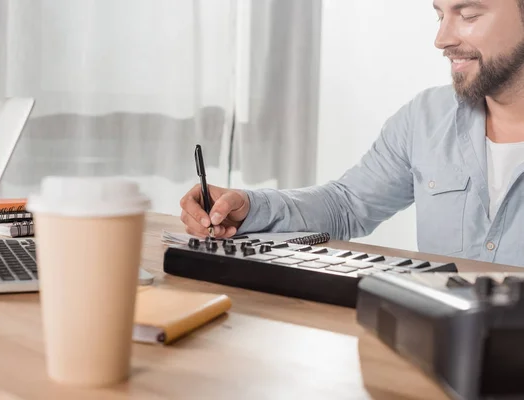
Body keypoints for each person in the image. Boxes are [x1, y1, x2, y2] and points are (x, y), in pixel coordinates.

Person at [179, 0, 524, 267]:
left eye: (468, 15)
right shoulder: (425, 118)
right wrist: (249, 209)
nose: (442, 39)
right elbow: (346, 207)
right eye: (440, 15)